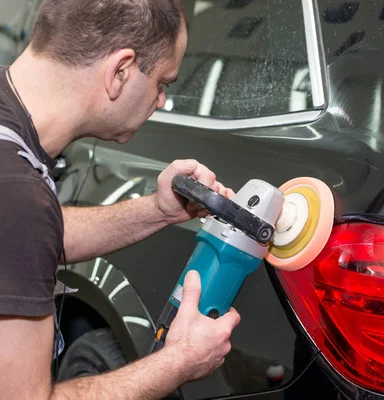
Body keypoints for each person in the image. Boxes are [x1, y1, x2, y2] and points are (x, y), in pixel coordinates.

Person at [0, 0, 241, 398]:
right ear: (120, 72)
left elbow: (30, 238)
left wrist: (158, 210)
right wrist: (180, 360)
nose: (161, 100)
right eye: (163, 82)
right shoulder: (19, 197)